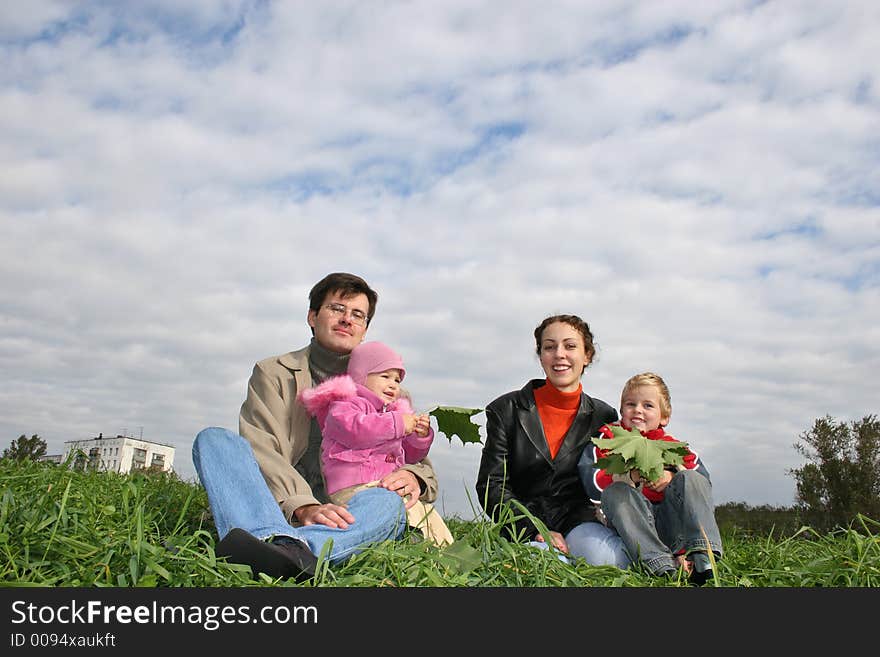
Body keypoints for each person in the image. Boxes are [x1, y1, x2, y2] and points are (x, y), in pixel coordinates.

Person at [192, 272, 438, 581]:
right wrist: (302, 506)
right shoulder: (273, 372)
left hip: (351, 509)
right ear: (312, 316)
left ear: (364, 331)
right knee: (213, 440)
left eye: (357, 315)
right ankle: (272, 534)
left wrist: (414, 476)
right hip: (283, 504)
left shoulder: (389, 389)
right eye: (337, 309)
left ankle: (293, 549)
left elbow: (415, 457)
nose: (347, 319)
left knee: (387, 502)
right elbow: (262, 446)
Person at [475, 314, 630, 567]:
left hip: (578, 522)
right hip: (524, 526)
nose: (559, 354)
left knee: (611, 560)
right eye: (549, 347)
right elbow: (491, 486)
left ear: (587, 355)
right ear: (541, 356)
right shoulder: (506, 410)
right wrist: (535, 526)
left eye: (570, 346)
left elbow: (606, 485)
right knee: (545, 567)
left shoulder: (605, 416)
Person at [298, 340, 454, 547]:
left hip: (382, 485)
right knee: (401, 509)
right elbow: (357, 430)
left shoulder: (392, 412)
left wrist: (419, 436)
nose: (393, 384)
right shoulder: (344, 405)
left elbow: (411, 456)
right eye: (385, 376)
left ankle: (443, 553)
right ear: (362, 375)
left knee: (425, 512)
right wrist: (398, 423)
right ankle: (315, 545)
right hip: (353, 485)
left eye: (397, 380)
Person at [578, 371, 723, 584]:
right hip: (634, 525)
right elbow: (593, 480)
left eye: (648, 406)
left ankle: (700, 554)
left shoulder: (674, 446)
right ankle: (660, 565)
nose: (638, 410)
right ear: (621, 410)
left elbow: (702, 486)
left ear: (664, 416)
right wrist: (630, 477)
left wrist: (671, 476)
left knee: (691, 479)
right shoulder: (608, 437)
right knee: (616, 493)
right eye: (630, 404)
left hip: (670, 523)